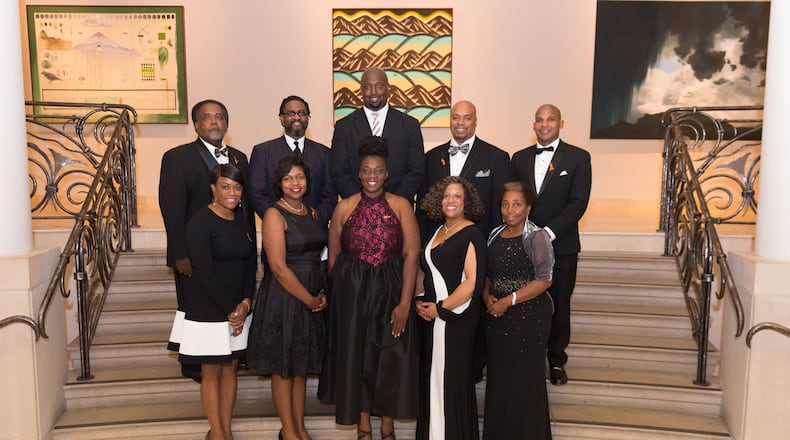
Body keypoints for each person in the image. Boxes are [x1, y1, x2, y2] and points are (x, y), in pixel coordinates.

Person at [318, 136, 420, 440]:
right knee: (357, 357)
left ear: (386, 174)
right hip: (352, 295)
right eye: (366, 171)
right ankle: (363, 425)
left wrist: (404, 303)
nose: (372, 176)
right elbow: (334, 257)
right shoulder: (344, 207)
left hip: (391, 290)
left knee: (390, 358)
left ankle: (387, 427)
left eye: (378, 171)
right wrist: (342, 296)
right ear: (359, 173)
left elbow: (411, 254)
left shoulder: (401, 206)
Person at [159, 99, 254, 383]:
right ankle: (194, 362)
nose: (214, 122)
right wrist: (180, 252)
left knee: (231, 299)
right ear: (196, 124)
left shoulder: (239, 157)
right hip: (194, 252)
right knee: (197, 307)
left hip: (231, 249)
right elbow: (171, 208)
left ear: (227, 122)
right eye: (207, 117)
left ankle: (233, 350)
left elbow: (245, 206)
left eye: (219, 117)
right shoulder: (178, 157)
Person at [247, 156, 328, 440]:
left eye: (300, 177)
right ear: (279, 184)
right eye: (288, 178)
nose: (295, 183)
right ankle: (289, 431)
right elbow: (278, 267)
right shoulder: (273, 214)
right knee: (283, 367)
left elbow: (319, 255)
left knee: (300, 367)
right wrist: (308, 299)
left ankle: (300, 427)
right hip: (285, 296)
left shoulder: (312, 212)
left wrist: (320, 293)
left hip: (310, 291)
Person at [511, 104, 592, 385]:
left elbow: (578, 203)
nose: (545, 124)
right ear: (533, 125)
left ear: (561, 123)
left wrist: (547, 233)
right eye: (540, 120)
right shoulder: (519, 158)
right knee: (525, 303)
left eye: (550, 119)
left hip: (562, 246)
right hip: (523, 246)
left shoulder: (579, 158)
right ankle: (526, 358)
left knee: (559, 305)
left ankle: (556, 361)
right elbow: (514, 201)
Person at [175, 164, 257, 440]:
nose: (232, 192)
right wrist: (230, 310)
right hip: (207, 308)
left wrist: (245, 303)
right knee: (211, 371)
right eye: (225, 186)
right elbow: (204, 272)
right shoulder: (200, 222)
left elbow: (249, 266)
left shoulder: (243, 220)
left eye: (237, 187)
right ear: (213, 188)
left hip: (237, 307)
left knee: (231, 367)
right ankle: (218, 434)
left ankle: (226, 430)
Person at [415, 176, 487, 440]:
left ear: (466, 201)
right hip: (433, 317)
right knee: (434, 379)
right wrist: (420, 300)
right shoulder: (438, 231)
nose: (450, 201)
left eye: (457, 196)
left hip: (456, 319)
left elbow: (472, 283)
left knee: (451, 383)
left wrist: (441, 309)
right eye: (446, 196)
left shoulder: (472, 233)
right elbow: (427, 273)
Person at [482, 181, 554, 439]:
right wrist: (487, 296)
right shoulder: (493, 235)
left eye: (517, 204)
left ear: (528, 207)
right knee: (500, 382)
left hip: (529, 318)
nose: (510, 210)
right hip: (497, 319)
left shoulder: (536, 236)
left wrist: (507, 301)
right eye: (505, 204)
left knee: (524, 382)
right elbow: (487, 274)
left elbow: (544, 279)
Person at [418, 100, 513, 242]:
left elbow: (499, 208)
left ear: (475, 121)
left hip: (478, 240)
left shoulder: (497, 158)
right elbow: (422, 204)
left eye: (467, 118)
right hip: (437, 241)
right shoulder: (431, 157)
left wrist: (494, 245)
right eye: (455, 117)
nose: (460, 122)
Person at [330, 67, 425, 201]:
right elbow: (339, 173)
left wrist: (392, 203)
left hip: (399, 210)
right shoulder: (344, 127)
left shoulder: (410, 125)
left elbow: (416, 171)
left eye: (379, 86)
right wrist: (362, 204)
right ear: (361, 90)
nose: (373, 92)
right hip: (356, 210)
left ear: (388, 88)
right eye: (367, 87)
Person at [248, 95, 338, 228]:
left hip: (316, 233)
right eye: (291, 113)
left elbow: (330, 195)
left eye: (302, 113)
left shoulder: (324, 153)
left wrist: (315, 218)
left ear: (308, 118)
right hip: (278, 232)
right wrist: (278, 221)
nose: (297, 117)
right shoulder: (263, 152)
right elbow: (257, 195)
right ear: (281, 118)